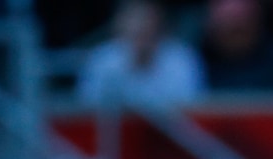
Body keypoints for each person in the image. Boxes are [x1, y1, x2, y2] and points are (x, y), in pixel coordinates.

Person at [77, 0, 205, 107]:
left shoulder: (182, 60)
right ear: (119, 24)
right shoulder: (101, 61)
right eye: (134, 17)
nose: (141, 25)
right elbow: (87, 112)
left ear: (160, 23)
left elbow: (191, 112)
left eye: (147, 18)